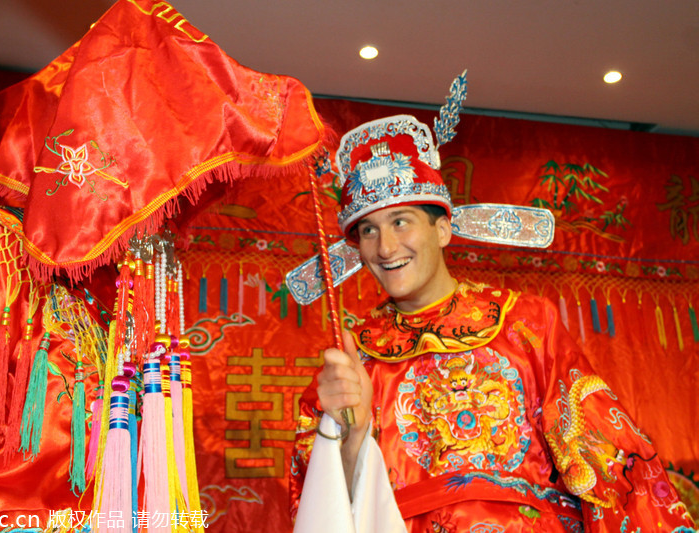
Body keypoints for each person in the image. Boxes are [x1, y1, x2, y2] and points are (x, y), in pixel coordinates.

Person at [290, 114, 696, 532]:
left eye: (400, 222)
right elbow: (322, 505)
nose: (386, 247)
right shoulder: (353, 359)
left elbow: (607, 458)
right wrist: (348, 434)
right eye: (368, 231)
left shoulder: (525, 323)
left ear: (442, 229)